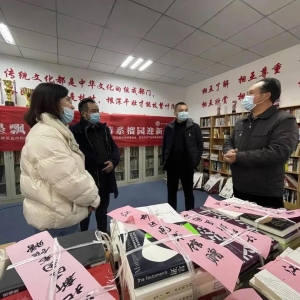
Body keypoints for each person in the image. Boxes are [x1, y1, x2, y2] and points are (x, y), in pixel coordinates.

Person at [21, 83, 100, 238]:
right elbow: (68, 180)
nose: (71, 105)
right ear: (53, 102)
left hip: (60, 212)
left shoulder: (55, 130)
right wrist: (92, 198)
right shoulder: (46, 135)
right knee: (63, 260)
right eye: (67, 99)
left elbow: (73, 170)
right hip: (57, 219)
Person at [223, 78, 298, 208]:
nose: (246, 97)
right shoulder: (242, 122)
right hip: (239, 187)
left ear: (265, 96)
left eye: (250, 93)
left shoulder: (284, 120)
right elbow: (229, 141)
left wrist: (238, 157)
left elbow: (279, 152)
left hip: (265, 192)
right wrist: (228, 151)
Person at [70, 98, 120, 233]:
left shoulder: (103, 129)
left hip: (105, 177)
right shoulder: (75, 131)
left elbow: (114, 148)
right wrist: (102, 164)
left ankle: (103, 234)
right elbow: (81, 153)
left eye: (97, 111)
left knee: (103, 209)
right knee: (85, 212)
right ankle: (84, 237)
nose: (97, 113)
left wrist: (113, 162)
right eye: (93, 111)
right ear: (83, 113)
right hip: (87, 179)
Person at [162, 102, 203, 211]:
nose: (184, 112)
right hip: (172, 167)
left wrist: (195, 162)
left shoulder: (194, 127)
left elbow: (200, 146)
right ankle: (172, 215)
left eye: (186, 110)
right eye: (181, 110)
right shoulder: (169, 128)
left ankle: (190, 215)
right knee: (171, 193)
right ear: (175, 113)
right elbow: (165, 146)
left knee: (188, 193)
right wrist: (164, 162)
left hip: (187, 166)